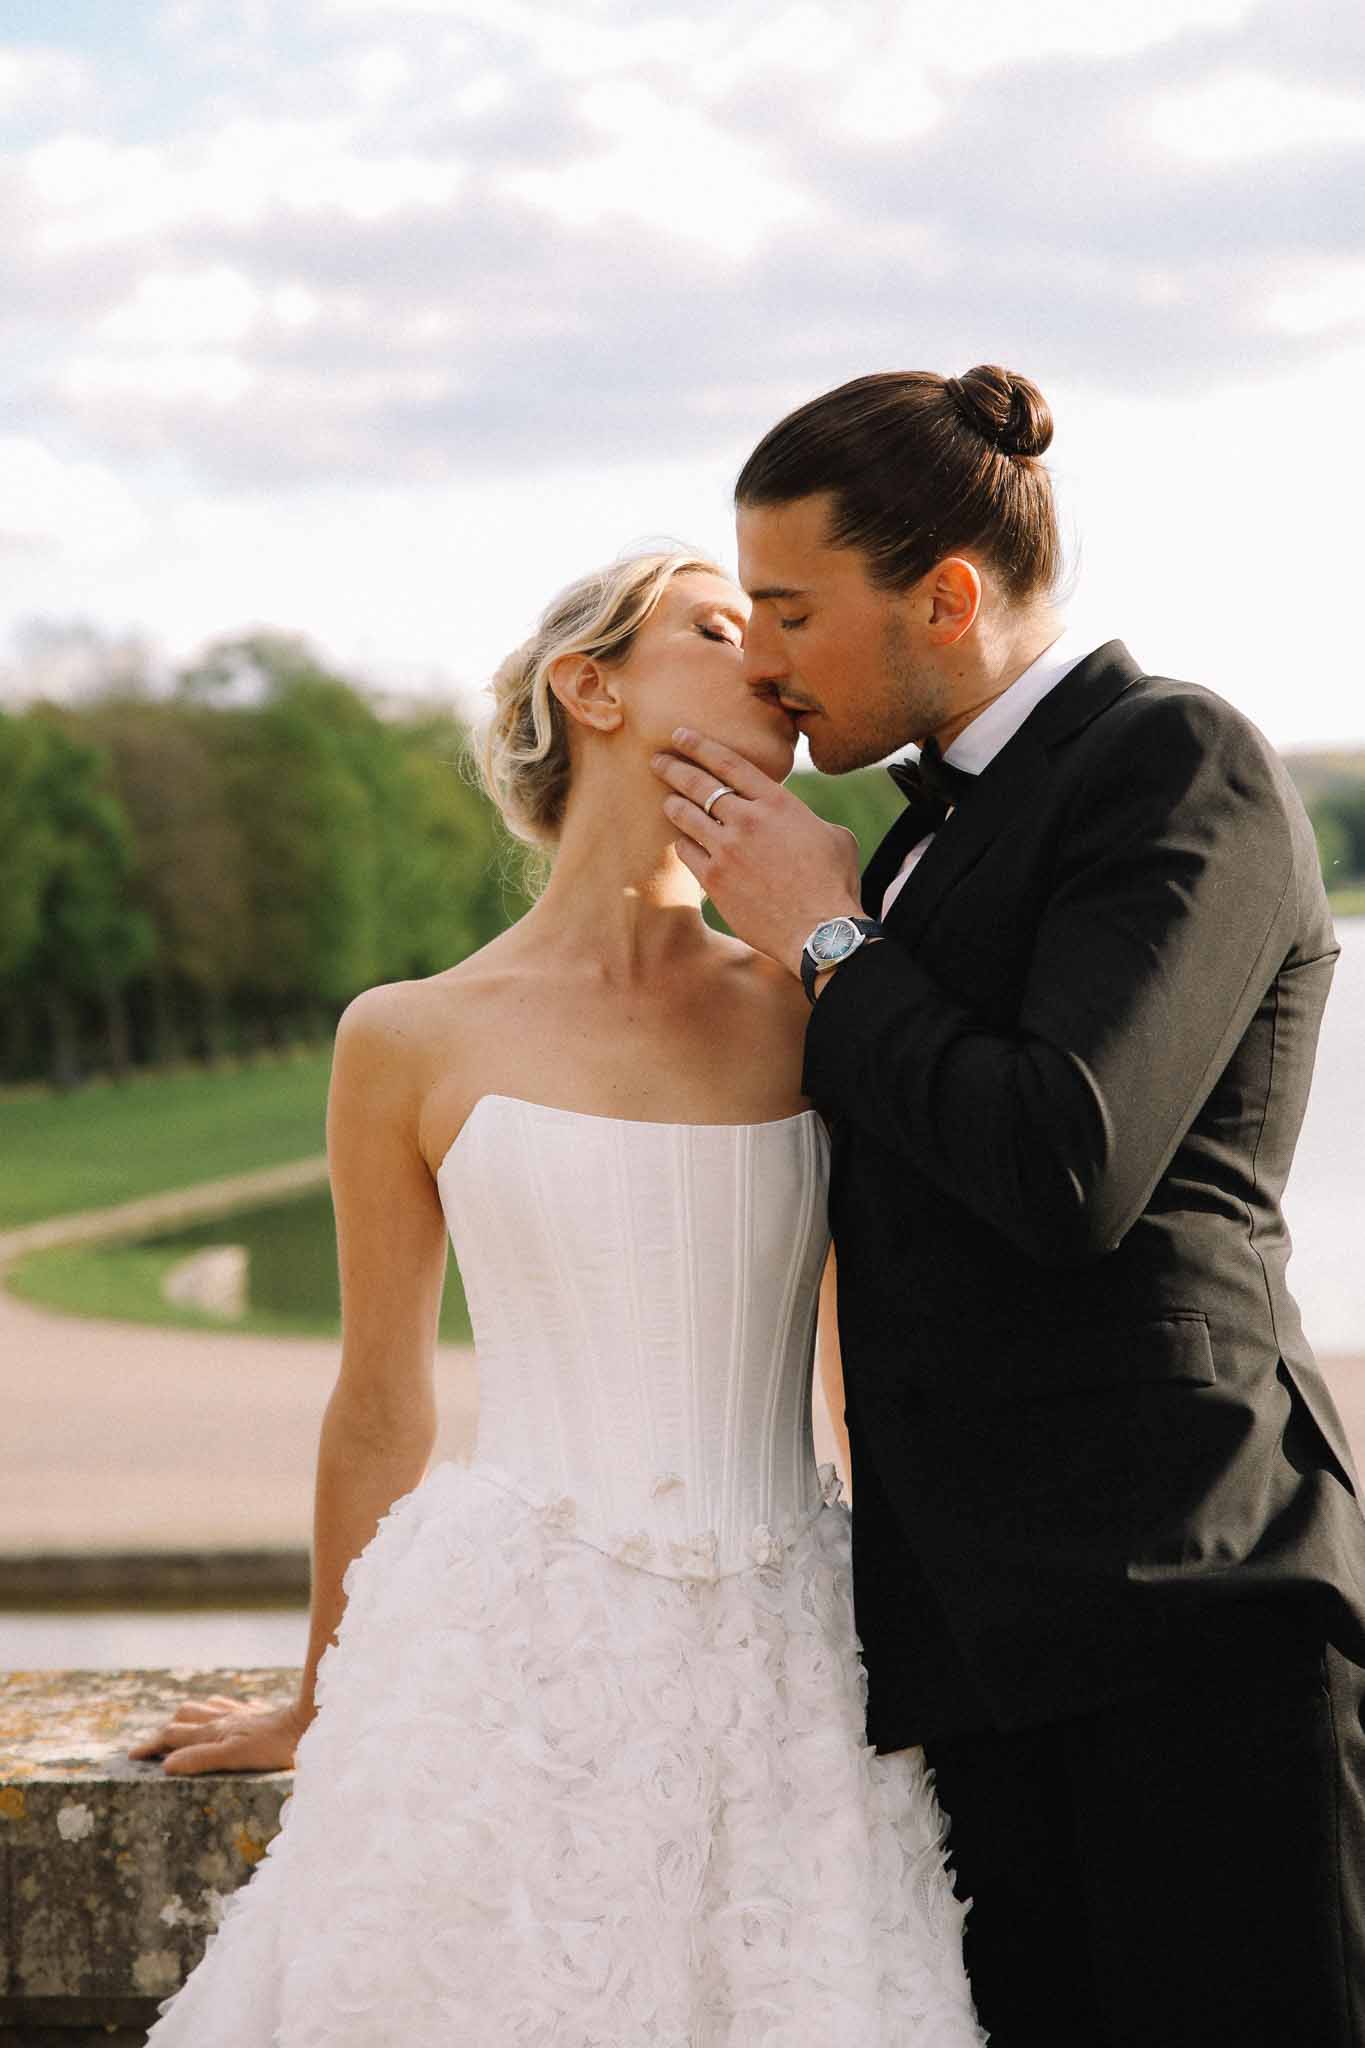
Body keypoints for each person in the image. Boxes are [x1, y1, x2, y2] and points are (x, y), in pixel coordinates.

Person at [127, 548, 985, 2045]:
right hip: (501, 1664)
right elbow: (380, 1403)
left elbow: (868, 1381)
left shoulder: (823, 1001)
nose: (769, 658)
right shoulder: (407, 1036)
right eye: (717, 627)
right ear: (592, 688)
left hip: (790, 1671)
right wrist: (319, 1701)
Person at [651, 363, 1365, 2047]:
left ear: (947, 597)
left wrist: (826, 942)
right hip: (972, 1646)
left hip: (1187, 1612)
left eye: (789, 611)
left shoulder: (1173, 759)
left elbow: (1067, 1162)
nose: (761, 658)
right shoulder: (907, 842)